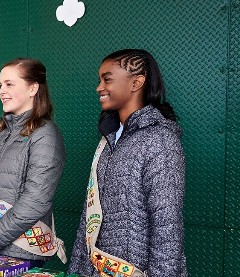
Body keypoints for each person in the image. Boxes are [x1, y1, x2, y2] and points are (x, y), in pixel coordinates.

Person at [68, 49, 187, 276]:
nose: (99, 87)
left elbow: (167, 229)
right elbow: (89, 217)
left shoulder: (160, 140)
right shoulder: (108, 140)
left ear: (136, 83)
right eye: (99, 80)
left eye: (107, 79)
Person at [0, 58, 66, 267]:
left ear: (33, 88)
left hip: (21, 254)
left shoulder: (46, 135)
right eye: (0, 85)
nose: (2, 91)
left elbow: (35, 201)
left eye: (10, 84)